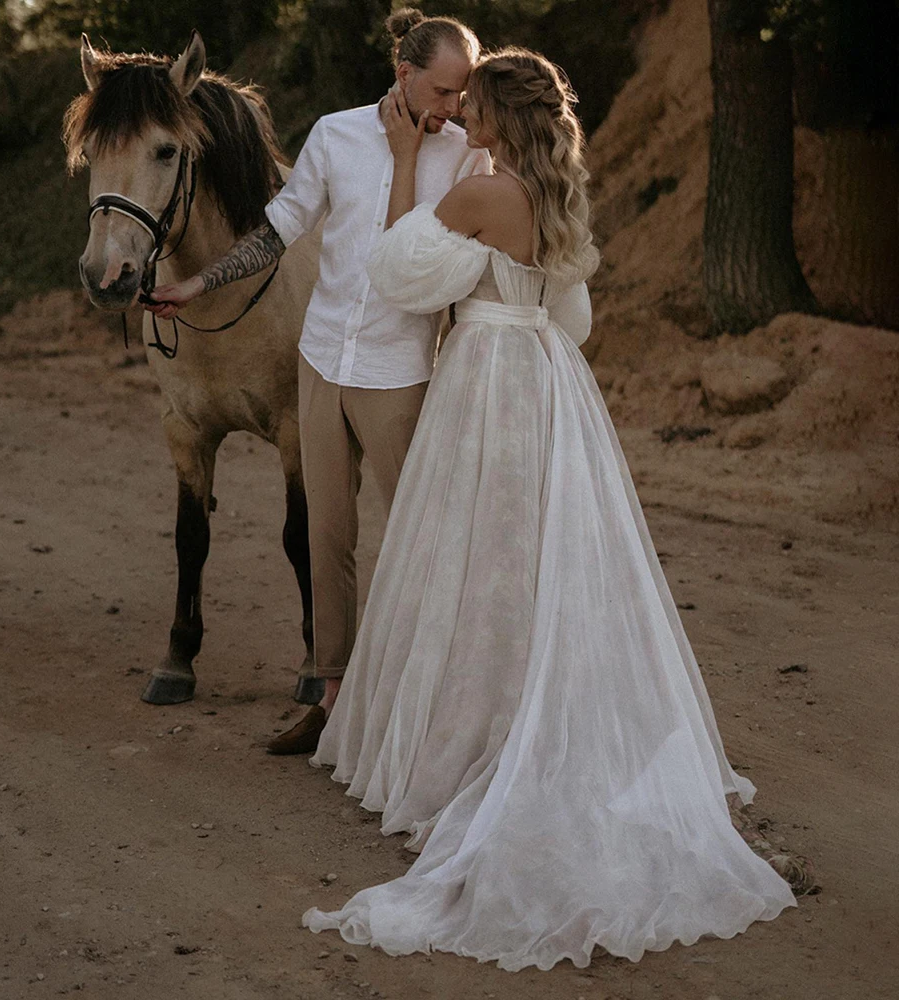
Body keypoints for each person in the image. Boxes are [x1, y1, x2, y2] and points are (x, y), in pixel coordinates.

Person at [301, 47, 797, 970]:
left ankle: (467, 743)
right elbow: (575, 321)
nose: (464, 113)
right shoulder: (557, 189)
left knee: (477, 564)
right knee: (536, 563)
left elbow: (399, 269)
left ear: (497, 115)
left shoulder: (485, 194)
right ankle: (533, 708)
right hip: (549, 379)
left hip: (487, 378)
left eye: (474, 102)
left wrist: (408, 166)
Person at [149, 9, 490, 753]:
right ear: (403, 74)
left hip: (398, 373)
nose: (455, 106)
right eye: (443, 90)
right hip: (322, 360)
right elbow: (278, 230)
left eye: (462, 93)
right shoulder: (335, 135)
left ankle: (431, 703)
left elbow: (452, 272)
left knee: (418, 537)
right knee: (327, 535)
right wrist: (194, 283)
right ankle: (330, 699)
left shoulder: (467, 156)